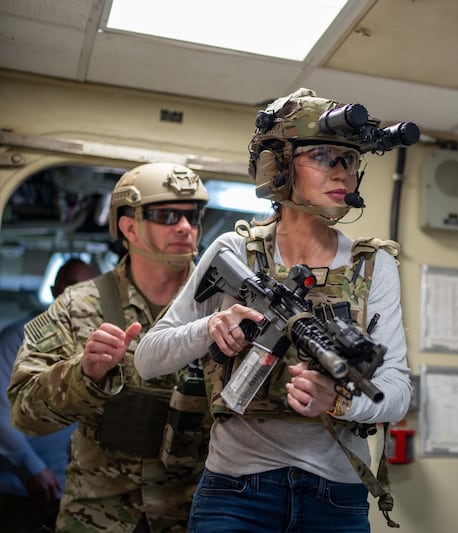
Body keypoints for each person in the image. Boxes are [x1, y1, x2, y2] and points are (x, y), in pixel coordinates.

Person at [134, 88, 415, 532]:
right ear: (277, 167)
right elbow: (147, 358)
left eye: (349, 160)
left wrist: (338, 400)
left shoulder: (373, 264)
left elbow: (395, 391)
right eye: (322, 156)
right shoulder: (234, 251)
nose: (342, 172)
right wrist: (211, 327)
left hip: (334, 498)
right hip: (235, 493)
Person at [8, 162, 210, 532]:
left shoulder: (223, 307)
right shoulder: (77, 307)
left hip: (194, 517)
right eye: (167, 216)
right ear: (129, 227)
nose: (185, 227)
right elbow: (25, 415)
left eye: (192, 216)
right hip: (97, 517)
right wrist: (83, 374)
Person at [0, 258, 96, 533]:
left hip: (69, 495)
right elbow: (0, 414)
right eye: (72, 285)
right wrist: (31, 468)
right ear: (55, 290)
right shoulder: (18, 339)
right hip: (19, 491)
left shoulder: (93, 345)